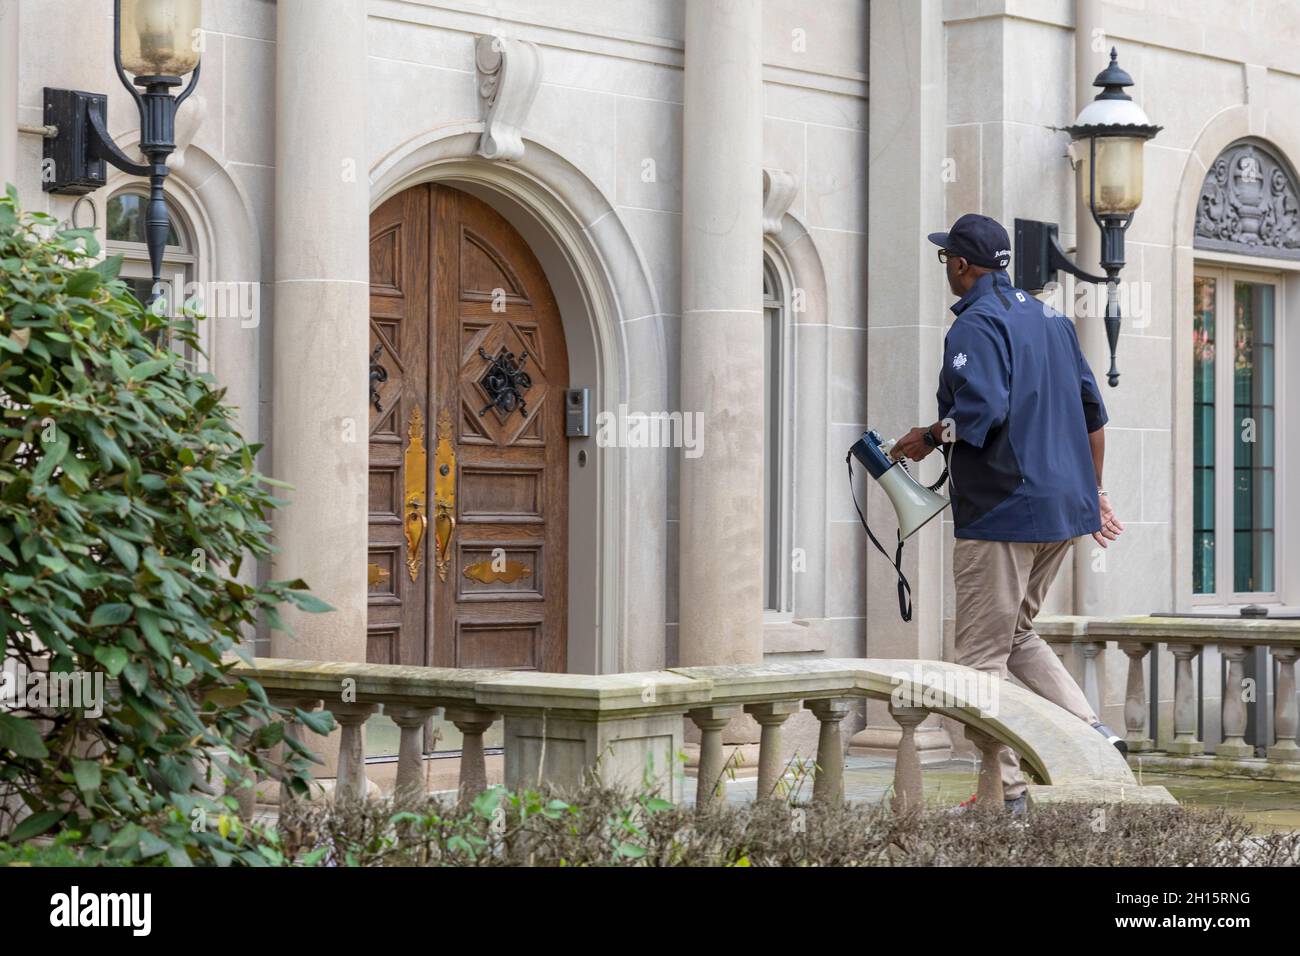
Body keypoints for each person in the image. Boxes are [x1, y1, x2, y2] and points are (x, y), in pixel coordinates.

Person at [890, 213, 1127, 815]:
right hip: (1062, 513)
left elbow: (981, 412)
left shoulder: (975, 323)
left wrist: (926, 435)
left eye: (948, 259)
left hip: (1002, 515)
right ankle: (1094, 735)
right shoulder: (1051, 318)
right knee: (1017, 635)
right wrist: (1093, 494)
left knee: (978, 663)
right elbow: (1094, 418)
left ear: (963, 266)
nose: (946, 267)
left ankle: (1009, 794)